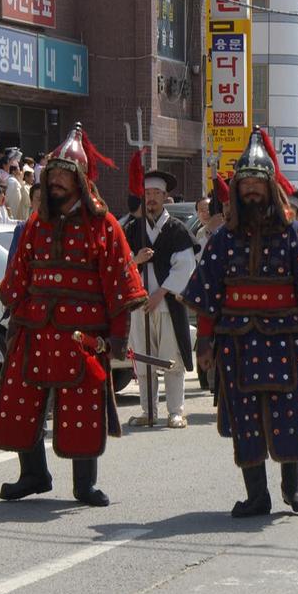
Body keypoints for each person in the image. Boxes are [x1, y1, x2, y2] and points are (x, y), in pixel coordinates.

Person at [184, 127, 298, 517]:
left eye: (258, 184)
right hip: (236, 342)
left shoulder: (295, 236)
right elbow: (207, 294)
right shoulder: (222, 239)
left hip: (285, 340)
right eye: (246, 185)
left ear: (270, 188)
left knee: (288, 414)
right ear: (237, 191)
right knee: (246, 420)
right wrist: (204, 341)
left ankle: (292, 488)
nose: (252, 191)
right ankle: (257, 495)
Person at [0, 124, 146, 506]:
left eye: (63, 175)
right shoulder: (35, 225)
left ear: (80, 179)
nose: (55, 182)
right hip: (34, 328)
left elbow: (120, 287)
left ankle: (84, 484)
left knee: (83, 408)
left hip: (83, 335)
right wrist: (11, 312)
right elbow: (19, 275)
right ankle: (33, 474)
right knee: (20, 401)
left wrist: (119, 336)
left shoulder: (104, 226)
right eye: (52, 175)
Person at [124, 170, 196, 429]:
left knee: (171, 359)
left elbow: (184, 266)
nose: (151, 198)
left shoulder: (176, 229)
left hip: (166, 304)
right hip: (139, 305)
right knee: (143, 359)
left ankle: (175, 411)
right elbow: (119, 265)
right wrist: (136, 261)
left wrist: (159, 294)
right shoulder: (132, 229)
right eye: (148, 194)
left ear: (165, 197)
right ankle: (147, 410)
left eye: (156, 193)